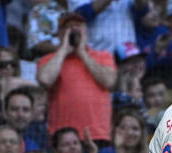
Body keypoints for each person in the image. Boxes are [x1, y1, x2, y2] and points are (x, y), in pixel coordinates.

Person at [36, 12, 117, 144]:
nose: (73, 29)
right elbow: (45, 79)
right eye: (68, 27)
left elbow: (109, 81)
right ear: (60, 33)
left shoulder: (103, 56)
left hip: (97, 134)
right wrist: (63, 50)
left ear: (86, 31)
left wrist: (82, 53)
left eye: (78, 26)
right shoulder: (49, 59)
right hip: (62, 136)